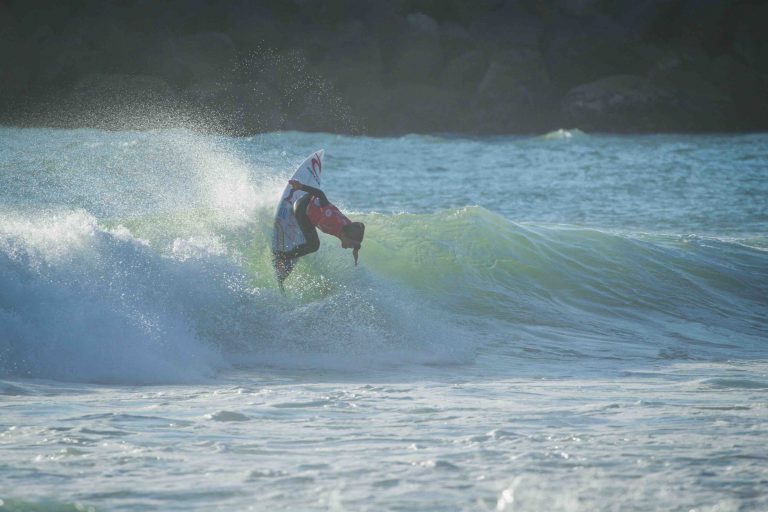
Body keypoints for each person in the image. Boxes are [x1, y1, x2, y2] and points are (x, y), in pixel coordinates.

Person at [274, 179, 365, 266]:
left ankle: (293, 252)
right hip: (302, 208)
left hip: (309, 202)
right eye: (351, 245)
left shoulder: (349, 227)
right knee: (314, 245)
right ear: (345, 235)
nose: (349, 247)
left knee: (312, 242)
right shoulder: (333, 221)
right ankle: (282, 256)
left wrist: (356, 250)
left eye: (352, 246)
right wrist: (301, 187)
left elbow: (358, 237)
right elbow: (321, 194)